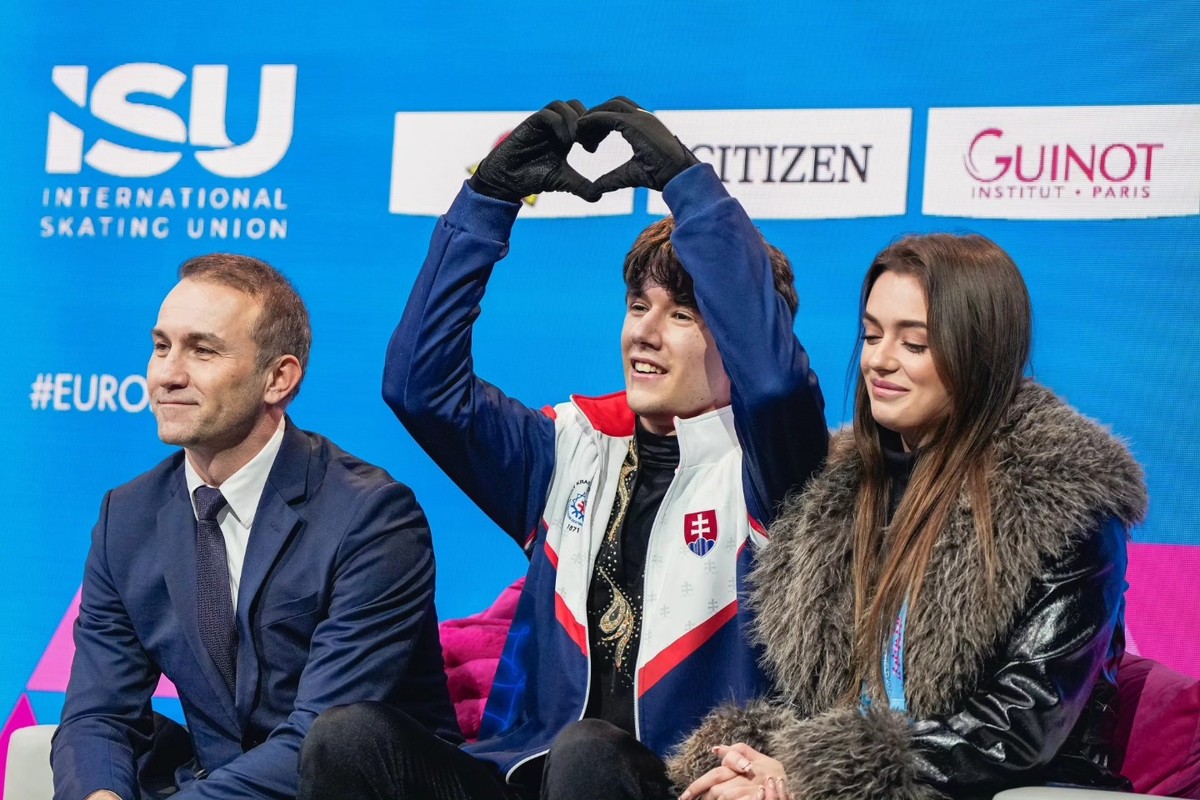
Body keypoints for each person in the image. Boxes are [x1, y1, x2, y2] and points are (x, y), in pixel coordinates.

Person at [297, 98, 828, 799]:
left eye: (684, 316)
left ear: (734, 334)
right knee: (348, 740)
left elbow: (774, 382)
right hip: (529, 774)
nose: (645, 333)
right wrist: (488, 199)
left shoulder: (773, 468)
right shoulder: (569, 448)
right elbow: (418, 385)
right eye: (639, 306)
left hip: (679, 786)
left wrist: (686, 183)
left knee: (588, 754)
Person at [670, 234, 1148, 800]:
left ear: (979, 352)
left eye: (913, 344)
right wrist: (766, 768)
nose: (878, 360)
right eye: (872, 335)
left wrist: (811, 780)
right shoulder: (841, 489)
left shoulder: (1065, 501)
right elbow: (816, 703)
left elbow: (1020, 729)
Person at [52, 254, 459, 800]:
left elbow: (323, 738)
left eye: (202, 350)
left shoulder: (372, 517)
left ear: (278, 378)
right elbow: (99, 714)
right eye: (160, 346)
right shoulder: (125, 518)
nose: (168, 374)